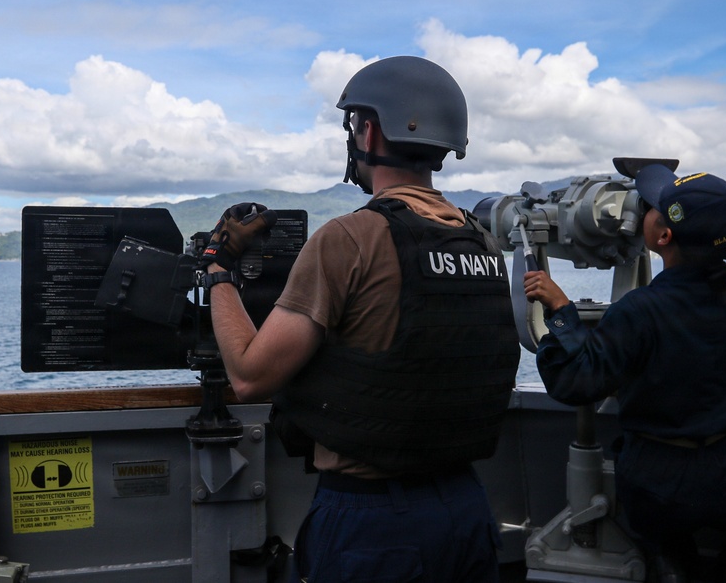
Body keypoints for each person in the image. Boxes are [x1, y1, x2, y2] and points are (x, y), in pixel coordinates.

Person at [198, 56, 521, 582]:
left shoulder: (349, 238)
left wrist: (218, 270)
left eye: (354, 124)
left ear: (369, 130)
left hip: (376, 522)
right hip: (466, 509)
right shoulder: (479, 240)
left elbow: (250, 377)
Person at [523, 165, 726, 583]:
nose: (643, 209)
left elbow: (574, 383)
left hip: (659, 478)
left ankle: (667, 564)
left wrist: (562, 313)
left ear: (663, 237)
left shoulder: (640, 311)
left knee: (659, 536)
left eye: (650, 207)